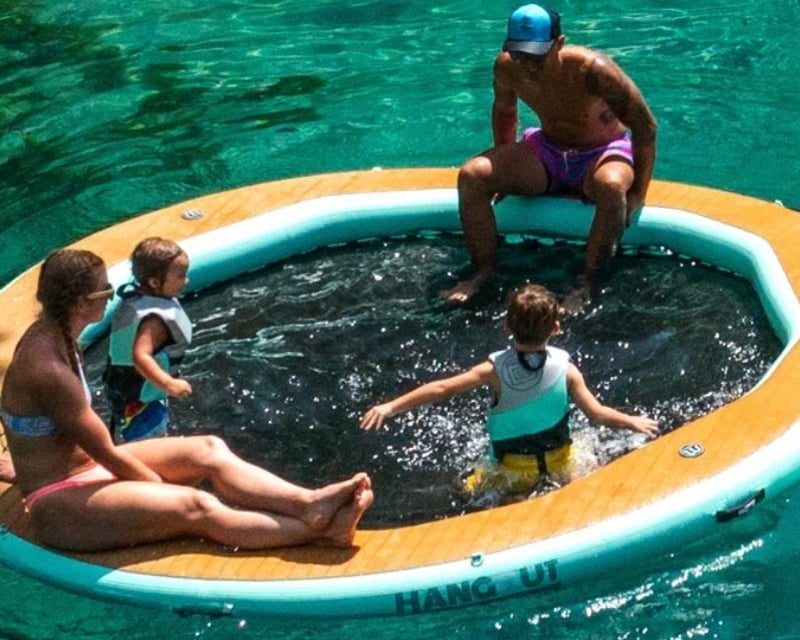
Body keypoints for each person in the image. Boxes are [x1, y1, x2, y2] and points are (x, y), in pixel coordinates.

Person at [0, 248, 373, 552]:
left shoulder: (60, 336)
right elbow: (107, 453)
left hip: (86, 470)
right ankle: (322, 533)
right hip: (58, 501)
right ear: (81, 303)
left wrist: (23, 461)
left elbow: (42, 428)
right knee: (196, 506)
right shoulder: (47, 368)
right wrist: (161, 489)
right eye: (105, 291)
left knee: (208, 450)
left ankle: (308, 504)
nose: (113, 296)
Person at [441, 4, 657, 307]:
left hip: (602, 152)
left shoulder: (594, 71)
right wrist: (504, 173)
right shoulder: (507, 67)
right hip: (547, 150)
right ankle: (483, 271)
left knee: (611, 187)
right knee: (472, 176)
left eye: (537, 57)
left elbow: (646, 127)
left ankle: (588, 285)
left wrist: (637, 193)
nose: (528, 66)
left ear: (559, 44)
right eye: (520, 55)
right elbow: (505, 111)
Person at [362, 283, 658, 496]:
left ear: (506, 327)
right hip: (563, 463)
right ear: (555, 328)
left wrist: (390, 406)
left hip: (512, 472)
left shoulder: (493, 371)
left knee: (461, 490)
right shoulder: (567, 369)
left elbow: (441, 388)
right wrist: (632, 421)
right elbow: (598, 414)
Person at [105, 237, 193, 442]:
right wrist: (169, 383)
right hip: (140, 401)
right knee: (152, 446)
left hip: (129, 390)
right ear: (154, 282)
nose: (186, 280)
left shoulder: (138, 299)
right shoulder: (154, 321)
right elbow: (140, 356)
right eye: (181, 276)